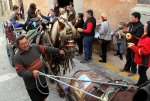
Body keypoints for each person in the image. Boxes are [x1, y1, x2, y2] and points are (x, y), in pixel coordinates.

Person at [14, 34, 64, 101]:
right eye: (22, 44)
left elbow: (46, 49)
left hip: (42, 80)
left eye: (26, 42)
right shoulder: (17, 57)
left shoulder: (34, 47)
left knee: (44, 96)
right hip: (32, 86)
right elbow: (20, 72)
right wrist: (31, 73)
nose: (25, 45)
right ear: (18, 45)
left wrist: (58, 51)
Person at [120, 12, 144, 76]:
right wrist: (124, 30)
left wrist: (129, 32)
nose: (131, 18)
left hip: (134, 45)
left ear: (137, 18)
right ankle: (126, 68)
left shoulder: (141, 26)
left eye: (132, 17)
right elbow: (126, 29)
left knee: (133, 58)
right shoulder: (130, 23)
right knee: (128, 56)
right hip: (128, 43)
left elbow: (138, 37)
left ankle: (133, 71)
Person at [127, 21, 150, 86]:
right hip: (142, 60)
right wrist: (131, 38)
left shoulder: (148, 39)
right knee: (141, 72)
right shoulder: (145, 36)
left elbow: (144, 51)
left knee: (141, 72)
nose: (143, 27)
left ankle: (146, 87)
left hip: (145, 60)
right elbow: (140, 41)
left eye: (145, 26)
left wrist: (133, 47)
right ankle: (139, 84)